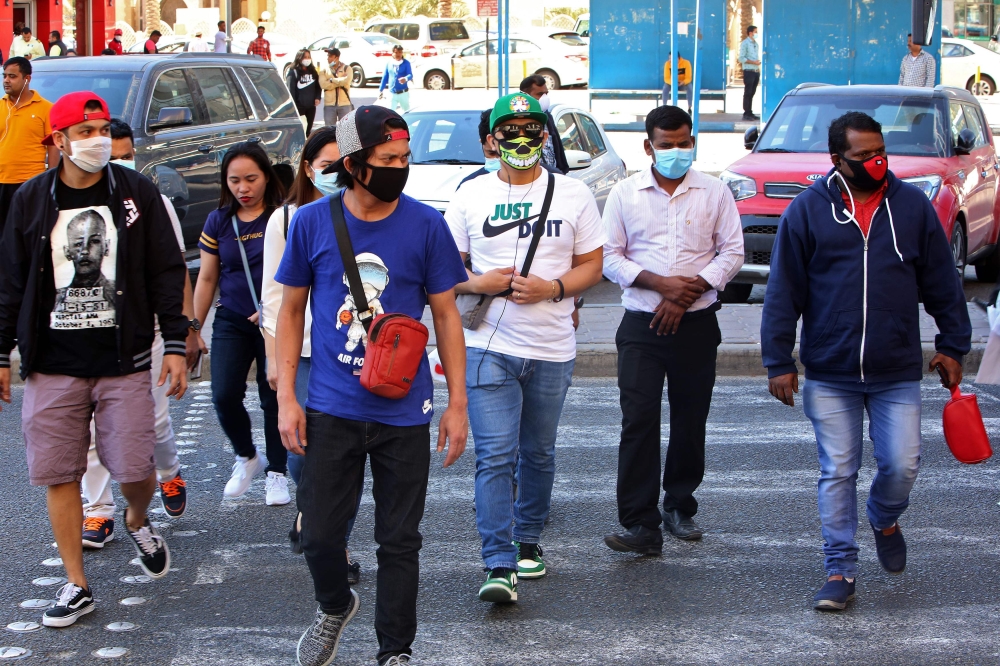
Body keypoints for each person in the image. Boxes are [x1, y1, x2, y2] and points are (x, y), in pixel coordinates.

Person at [274, 105, 468, 666]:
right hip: (331, 406)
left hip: (404, 408)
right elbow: (291, 312)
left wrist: (457, 403)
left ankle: (395, 651)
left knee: (399, 540)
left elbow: (447, 316)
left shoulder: (426, 224)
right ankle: (335, 606)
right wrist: (286, 398)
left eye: (405, 158)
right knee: (318, 536)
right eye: (387, 159)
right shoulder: (311, 222)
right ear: (355, 164)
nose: (399, 168)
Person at [761, 111, 971, 611]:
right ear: (837, 159)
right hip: (830, 369)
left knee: (902, 464)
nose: (876, 162)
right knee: (838, 470)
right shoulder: (807, 211)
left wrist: (953, 345)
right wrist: (778, 360)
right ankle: (839, 569)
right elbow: (783, 290)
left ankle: (883, 515)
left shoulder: (912, 207)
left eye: (880, 152)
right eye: (863, 155)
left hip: (895, 367)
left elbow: (942, 282)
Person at [0, 91, 186, 627]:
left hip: (123, 359)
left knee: (135, 469)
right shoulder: (32, 198)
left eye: (102, 130)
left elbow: (166, 269)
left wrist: (176, 343)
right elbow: (11, 279)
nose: (98, 141)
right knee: (60, 473)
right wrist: (1, 351)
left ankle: (136, 518)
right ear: (59, 140)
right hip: (52, 362)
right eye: (85, 132)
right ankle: (76, 583)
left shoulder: (135, 192)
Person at [446, 92, 605, 604]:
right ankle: (498, 562)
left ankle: (528, 538)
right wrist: (480, 282)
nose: (521, 139)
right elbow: (445, 272)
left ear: (544, 136)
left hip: (552, 347)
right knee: (495, 454)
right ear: (492, 139)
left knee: (538, 451)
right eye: (509, 131)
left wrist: (552, 289)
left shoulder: (573, 193)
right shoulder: (469, 195)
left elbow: (593, 264)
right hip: (486, 345)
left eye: (531, 129)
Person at [601, 106, 743, 555]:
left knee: (690, 418)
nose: (676, 151)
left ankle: (679, 505)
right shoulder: (625, 193)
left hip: (697, 324)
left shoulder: (714, 191)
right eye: (667, 144)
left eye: (684, 143)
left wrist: (685, 295)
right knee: (638, 420)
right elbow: (609, 256)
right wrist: (661, 285)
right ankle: (640, 524)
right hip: (641, 325)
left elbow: (732, 252)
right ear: (649, 146)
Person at [78, 119, 203, 547]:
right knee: (90, 429)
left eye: (126, 155)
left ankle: (168, 472)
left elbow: (174, 271)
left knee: (153, 420)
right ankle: (98, 510)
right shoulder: (71, 205)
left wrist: (187, 328)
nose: (118, 163)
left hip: (146, 331)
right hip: (90, 331)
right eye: (111, 155)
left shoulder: (152, 201)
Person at [260, 128, 364, 584]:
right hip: (299, 352)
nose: (335, 173)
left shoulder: (367, 212)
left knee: (344, 455)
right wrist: (273, 358)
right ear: (307, 168)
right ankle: (310, 510)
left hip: (346, 350)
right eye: (326, 165)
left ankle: (337, 545)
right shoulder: (286, 220)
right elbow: (274, 297)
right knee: (303, 452)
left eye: (344, 163)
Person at [193, 142, 289, 505]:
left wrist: (271, 306)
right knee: (223, 394)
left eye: (251, 179)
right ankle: (247, 455)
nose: (243, 188)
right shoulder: (218, 220)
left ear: (267, 176)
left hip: (275, 321)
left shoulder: (283, 216)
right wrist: (192, 328)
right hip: (232, 318)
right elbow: (206, 278)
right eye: (234, 181)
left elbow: (297, 271)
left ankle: (277, 472)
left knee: (273, 396)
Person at [0, 57, 60, 235]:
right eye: (4, 76)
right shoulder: (1, 106)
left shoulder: (46, 108)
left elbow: (53, 147)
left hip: (31, 183)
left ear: (27, 79)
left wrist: (52, 181)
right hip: (2, 182)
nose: (6, 80)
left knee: (28, 234)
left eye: (12, 76)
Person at [518, 74, 569, 174]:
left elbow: (556, 149)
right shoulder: (516, 120)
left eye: (546, 93)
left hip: (552, 177)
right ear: (525, 96)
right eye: (540, 94)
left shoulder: (547, 117)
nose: (544, 98)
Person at [287, 49, 322, 135]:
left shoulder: (313, 71)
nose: (307, 59)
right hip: (299, 108)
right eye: (305, 57)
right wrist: (294, 108)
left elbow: (318, 86)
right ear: (299, 58)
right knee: (300, 131)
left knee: (308, 131)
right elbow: (291, 91)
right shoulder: (293, 72)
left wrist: (317, 97)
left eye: (309, 57)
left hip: (311, 107)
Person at [318, 47, 353, 128]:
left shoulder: (347, 68)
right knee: (329, 130)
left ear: (337, 57)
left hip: (345, 104)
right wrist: (340, 81)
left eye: (330, 56)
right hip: (329, 105)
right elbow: (323, 85)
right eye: (328, 56)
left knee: (345, 129)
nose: (328, 58)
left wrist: (331, 80)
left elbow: (347, 81)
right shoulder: (324, 71)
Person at [378, 45, 412, 113]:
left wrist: (405, 78)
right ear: (393, 53)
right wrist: (380, 90)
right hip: (392, 93)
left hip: (403, 93)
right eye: (396, 52)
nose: (398, 54)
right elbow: (385, 77)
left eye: (400, 52)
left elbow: (410, 75)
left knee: (406, 113)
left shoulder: (406, 63)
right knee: (390, 113)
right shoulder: (389, 63)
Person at [738, 25, 761, 121]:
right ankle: (746, 112)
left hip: (756, 71)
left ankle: (750, 112)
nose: (757, 34)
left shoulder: (756, 44)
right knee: (748, 92)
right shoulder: (745, 43)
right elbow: (741, 58)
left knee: (752, 92)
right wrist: (753, 62)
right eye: (755, 32)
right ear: (750, 33)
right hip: (749, 71)